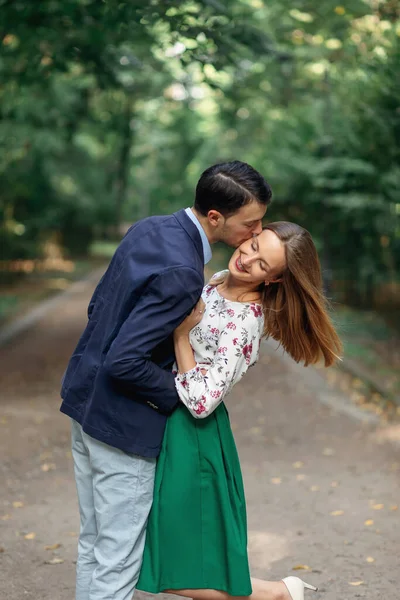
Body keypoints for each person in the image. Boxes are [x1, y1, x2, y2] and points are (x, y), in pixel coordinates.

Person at [60, 160, 272, 600]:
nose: (254, 234)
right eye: (250, 225)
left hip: (85, 403)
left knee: (95, 543)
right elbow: (126, 361)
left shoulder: (150, 228)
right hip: (123, 425)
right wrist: (180, 396)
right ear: (216, 217)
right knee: (117, 558)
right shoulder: (183, 272)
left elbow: (99, 309)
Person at [137, 222, 342, 600]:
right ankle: (280, 592)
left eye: (263, 264)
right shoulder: (216, 281)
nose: (247, 258)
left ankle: (278, 593)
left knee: (165, 564)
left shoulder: (244, 321)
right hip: (164, 419)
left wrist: (182, 337)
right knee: (157, 551)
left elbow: (201, 402)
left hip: (192, 436)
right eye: (252, 244)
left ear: (276, 280)